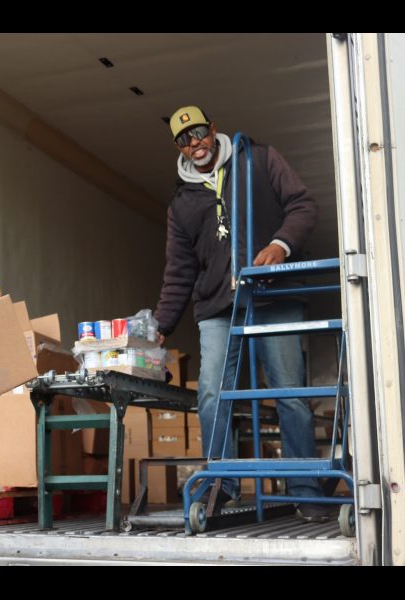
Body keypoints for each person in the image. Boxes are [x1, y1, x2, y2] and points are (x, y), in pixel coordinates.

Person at [153, 106, 332, 521]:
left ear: (212, 129)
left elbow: (303, 205)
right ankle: (221, 485)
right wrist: (161, 326)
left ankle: (306, 491)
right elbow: (179, 273)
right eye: (183, 139)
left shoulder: (260, 159)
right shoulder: (181, 204)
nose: (193, 144)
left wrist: (279, 245)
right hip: (218, 308)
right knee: (212, 392)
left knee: (289, 391)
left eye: (198, 132)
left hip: (274, 297)